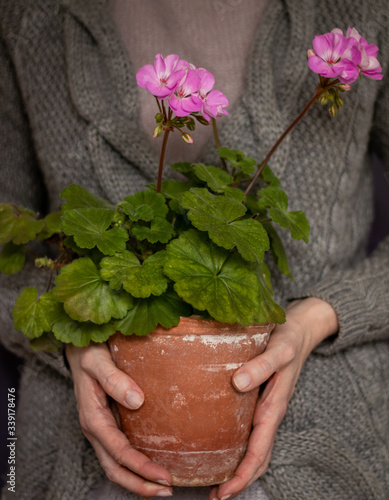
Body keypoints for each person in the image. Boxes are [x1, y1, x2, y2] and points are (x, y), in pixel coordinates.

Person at [1, 1, 388, 499]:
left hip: (326, 437)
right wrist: (73, 333)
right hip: (72, 457)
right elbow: (7, 247)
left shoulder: (365, 7)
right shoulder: (28, 15)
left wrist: (320, 317)